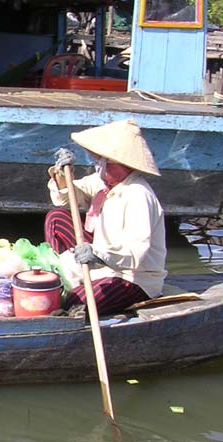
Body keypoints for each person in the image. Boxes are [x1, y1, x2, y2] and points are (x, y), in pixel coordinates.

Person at [44, 118, 167, 315]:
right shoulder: (103, 183)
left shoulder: (138, 195)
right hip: (100, 261)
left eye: (99, 161)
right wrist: (61, 173)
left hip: (132, 277)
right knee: (56, 217)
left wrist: (98, 254)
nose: (96, 165)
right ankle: (67, 273)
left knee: (73, 301)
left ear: (117, 164)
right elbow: (67, 199)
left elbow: (134, 255)